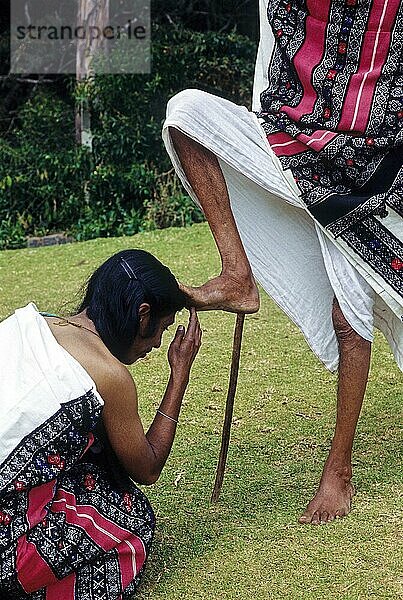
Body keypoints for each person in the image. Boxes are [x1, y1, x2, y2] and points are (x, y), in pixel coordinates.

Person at [162, 0, 403, 525]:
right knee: (185, 114)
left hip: (370, 170)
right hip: (291, 143)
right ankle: (236, 272)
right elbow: (267, 80)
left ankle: (338, 471)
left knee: (349, 314)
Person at [0, 249, 202, 599]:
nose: (157, 343)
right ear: (143, 315)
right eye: (162, 329)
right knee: (132, 522)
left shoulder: (35, 323)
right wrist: (179, 375)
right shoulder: (109, 374)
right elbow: (148, 467)